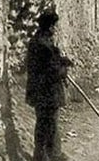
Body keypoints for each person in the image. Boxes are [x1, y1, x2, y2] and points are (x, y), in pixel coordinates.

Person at [26, 9, 74, 161]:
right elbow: (51, 71)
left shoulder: (38, 41)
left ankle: (41, 155)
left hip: (40, 90)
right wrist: (63, 69)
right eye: (54, 26)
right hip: (46, 91)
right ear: (50, 26)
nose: (55, 29)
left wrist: (62, 60)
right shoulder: (43, 45)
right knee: (50, 123)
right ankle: (52, 155)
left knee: (43, 122)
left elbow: (51, 60)